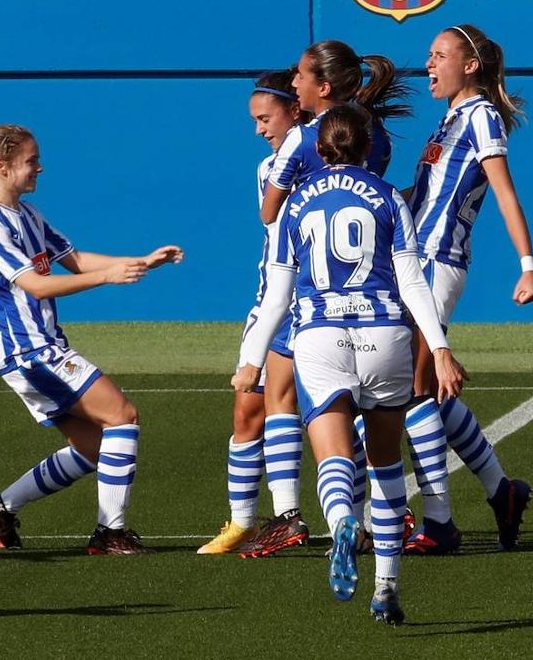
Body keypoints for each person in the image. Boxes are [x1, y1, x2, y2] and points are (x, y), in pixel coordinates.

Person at [235, 104, 466, 625]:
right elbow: (412, 281)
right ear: (367, 147)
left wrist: (251, 361)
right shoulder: (387, 196)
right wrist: (440, 348)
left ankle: (341, 519)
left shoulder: (296, 203)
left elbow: (277, 295)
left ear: (319, 149)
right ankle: (387, 585)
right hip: (385, 334)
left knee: (333, 455)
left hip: (320, 336)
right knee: (386, 464)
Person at [0, 124, 183, 555]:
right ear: (2, 167)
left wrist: (140, 262)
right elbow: (36, 285)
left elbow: (75, 259)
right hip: (29, 351)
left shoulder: (28, 215)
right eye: (31, 161)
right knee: (122, 415)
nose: (39, 168)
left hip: (43, 347)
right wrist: (108, 277)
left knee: (96, 447)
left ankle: (1, 507)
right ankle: (109, 533)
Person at [233, 41, 408, 557]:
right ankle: (372, 524)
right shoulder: (373, 134)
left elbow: (270, 213)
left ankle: (295, 516)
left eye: (301, 77)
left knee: (282, 397)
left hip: (309, 290)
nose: (294, 83)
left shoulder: (302, 140)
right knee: (367, 416)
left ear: (323, 87)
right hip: (373, 297)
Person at [400, 23, 533, 554]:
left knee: (414, 389)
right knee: (415, 390)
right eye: (429, 55)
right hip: (414, 260)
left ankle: (438, 521)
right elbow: (425, 194)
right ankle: (502, 492)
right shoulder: (450, 119)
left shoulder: (481, 115)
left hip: (437, 262)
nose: (429, 64)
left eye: (440, 55)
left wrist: (527, 265)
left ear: (470, 64)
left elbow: (504, 193)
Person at [197, 71, 305, 554]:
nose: (260, 129)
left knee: (325, 410)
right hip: (271, 301)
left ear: (295, 110)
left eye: (266, 118)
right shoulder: (269, 169)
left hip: (312, 304)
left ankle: (337, 518)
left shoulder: (323, 157)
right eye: (255, 121)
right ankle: (243, 521)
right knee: (247, 410)